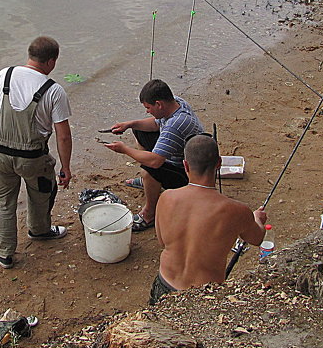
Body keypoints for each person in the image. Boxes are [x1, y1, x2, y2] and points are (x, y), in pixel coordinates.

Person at [0, 36, 73, 269]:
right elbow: (63, 135)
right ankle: (40, 230)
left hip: (0, 154)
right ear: (51, 61)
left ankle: (4, 252)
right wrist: (65, 168)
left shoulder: (4, 74)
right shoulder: (54, 91)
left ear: (30, 55)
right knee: (41, 192)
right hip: (33, 158)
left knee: (3, 201)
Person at [150, 135, 267, 304]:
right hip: (204, 296)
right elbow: (257, 238)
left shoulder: (166, 197)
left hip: (164, 285)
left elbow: (162, 242)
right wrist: (257, 219)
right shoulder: (237, 211)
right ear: (219, 163)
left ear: (185, 165)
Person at [102, 79, 204, 232]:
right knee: (139, 129)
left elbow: (155, 162)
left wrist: (124, 149)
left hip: (188, 173)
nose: (147, 111)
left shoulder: (175, 125)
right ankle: (151, 184)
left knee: (148, 170)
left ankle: (149, 214)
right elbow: (156, 124)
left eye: (148, 107)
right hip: (181, 154)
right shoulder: (176, 103)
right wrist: (129, 124)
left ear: (159, 104)